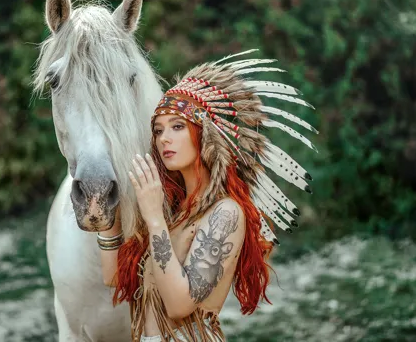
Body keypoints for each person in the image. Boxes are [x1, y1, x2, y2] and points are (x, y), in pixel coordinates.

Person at [97, 50, 316, 341]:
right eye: (158, 130)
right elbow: (113, 278)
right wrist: (107, 217)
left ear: (205, 135)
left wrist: (153, 218)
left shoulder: (226, 213)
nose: (164, 138)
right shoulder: (174, 212)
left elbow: (179, 305)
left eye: (177, 127)